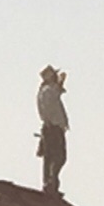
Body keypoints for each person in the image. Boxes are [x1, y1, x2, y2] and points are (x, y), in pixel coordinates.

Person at [35, 66, 69, 195]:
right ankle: (51, 183)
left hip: (50, 128)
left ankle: (49, 184)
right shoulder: (48, 90)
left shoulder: (43, 91)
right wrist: (60, 82)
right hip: (53, 128)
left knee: (50, 158)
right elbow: (56, 91)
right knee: (58, 157)